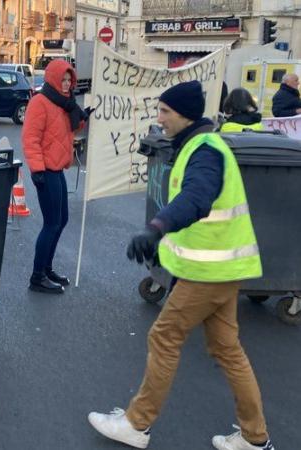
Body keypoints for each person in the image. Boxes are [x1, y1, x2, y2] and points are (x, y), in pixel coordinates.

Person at [88, 81, 273, 450]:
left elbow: (196, 200)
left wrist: (156, 228)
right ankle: (254, 437)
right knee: (227, 349)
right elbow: (199, 216)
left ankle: (136, 424)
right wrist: (164, 247)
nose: (159, 119)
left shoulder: (204, 151)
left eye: (165, 112)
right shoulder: (199, 146)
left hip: (208, 274)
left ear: (184, 114)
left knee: (164, 336)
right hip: (223, 271)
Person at [21, 59, 88, 294]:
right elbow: (31, 138)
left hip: (58, 169)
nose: (67, 83)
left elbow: (68, 130)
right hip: (46, 171)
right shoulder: (40, 102)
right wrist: (37, 169)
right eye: (63, 79)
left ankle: (47, 269)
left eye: (70, 79)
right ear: (53, 78)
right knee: (51, 223)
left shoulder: (65, 103)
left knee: (62, 220)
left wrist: (83, 117)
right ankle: (37, 276)